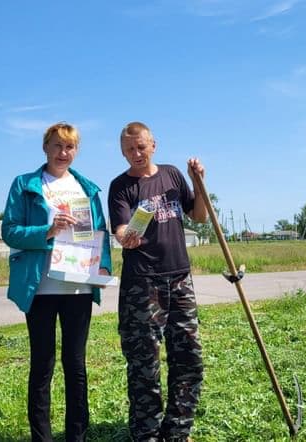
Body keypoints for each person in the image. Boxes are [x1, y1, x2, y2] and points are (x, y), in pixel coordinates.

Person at [1, 122, 112, 442]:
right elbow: (10, 231)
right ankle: (42, 437)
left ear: (76, 150)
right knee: (42, 364)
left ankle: (77, 436)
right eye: (57, 146)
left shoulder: (87, 189)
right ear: (45, 147)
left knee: (75, 364)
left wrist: (102, 268)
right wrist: (47, 232)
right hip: (40, 287)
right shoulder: (25, 185)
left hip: (78, 286)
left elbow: (100, 236)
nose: (63, 153)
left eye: (70, 147)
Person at [108, 121, 207, 442]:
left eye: (141, 147)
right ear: (123, 151)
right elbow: (120, 229)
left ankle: (177, 432)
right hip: (142, 284)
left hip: (179, 278)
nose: (136, 154)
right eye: (129, 149)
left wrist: (199, 182)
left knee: (189, 358)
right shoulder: (121, 186)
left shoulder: (173, 175)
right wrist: (127, 237)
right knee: (144, 365)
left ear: (154, 145)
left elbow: (200, 216)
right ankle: (146, 435)